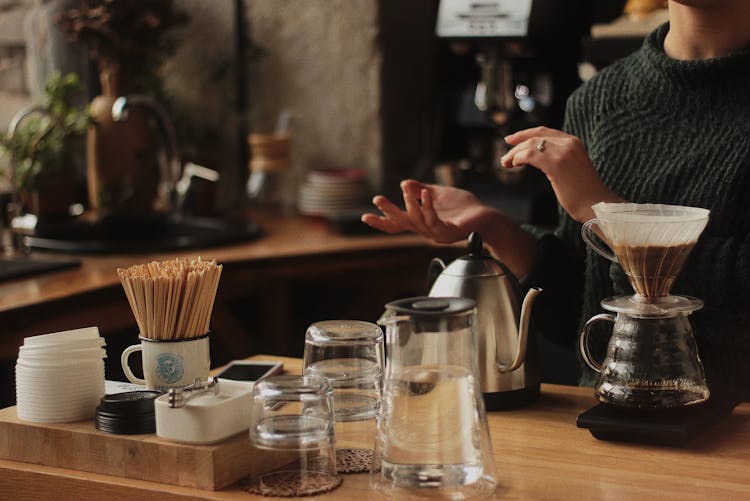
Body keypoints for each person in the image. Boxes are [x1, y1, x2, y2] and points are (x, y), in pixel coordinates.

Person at [362, 0, 750, 399]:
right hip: (605, 423)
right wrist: (495, 229)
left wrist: (610, 214)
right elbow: (579, 314)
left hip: (731, 435)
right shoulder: (599, 98)